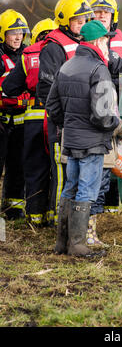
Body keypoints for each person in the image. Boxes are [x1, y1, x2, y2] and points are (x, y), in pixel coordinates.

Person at [46, 20, 122, 257]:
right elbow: (103, 115)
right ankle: (78, 245)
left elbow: (52, 106)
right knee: (87, 190)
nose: (108, 45)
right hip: (94, 143)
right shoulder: (99, 70)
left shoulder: (66, 67)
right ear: (99, 42)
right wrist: (120, 130)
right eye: (106, 40)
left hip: (71, 140)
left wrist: (69, 126)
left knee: (69, 188)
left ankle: (62, 243)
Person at [36, 0, 95, 226]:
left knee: (75, 174)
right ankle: (58, 222)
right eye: (77, 21)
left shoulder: (82, 44)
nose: (82, 25)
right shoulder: (54, 47)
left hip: (79, 122)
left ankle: (67, 219)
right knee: (62, 174)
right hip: (61, 121)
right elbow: (46, 87)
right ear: (64, 21)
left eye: (84, 21)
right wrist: (62, 118)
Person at [2, 18, 57, 226]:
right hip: (57, 118)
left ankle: (34, 217)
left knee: (34, 169)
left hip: (33, 119)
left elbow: (9, 87)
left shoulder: (29, 54)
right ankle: (55, 217)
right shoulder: (67, 51)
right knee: (58, 170)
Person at [89, 0, 122, 215]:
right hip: (98, 106)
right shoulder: (86, 38)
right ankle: (97, 208)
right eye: (97, 12)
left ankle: (111, 207)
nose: (101, 16)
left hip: (120, 105)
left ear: (113, 16)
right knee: (102, 158)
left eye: (105, 12)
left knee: (118, 157)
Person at [0, 9, 30, 219]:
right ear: (3, 34)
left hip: (21, 123)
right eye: (13, 32)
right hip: (1, 122)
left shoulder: (28, 54)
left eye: (21, 32)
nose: (18, 36)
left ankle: (13, 209)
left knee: (17, 167)